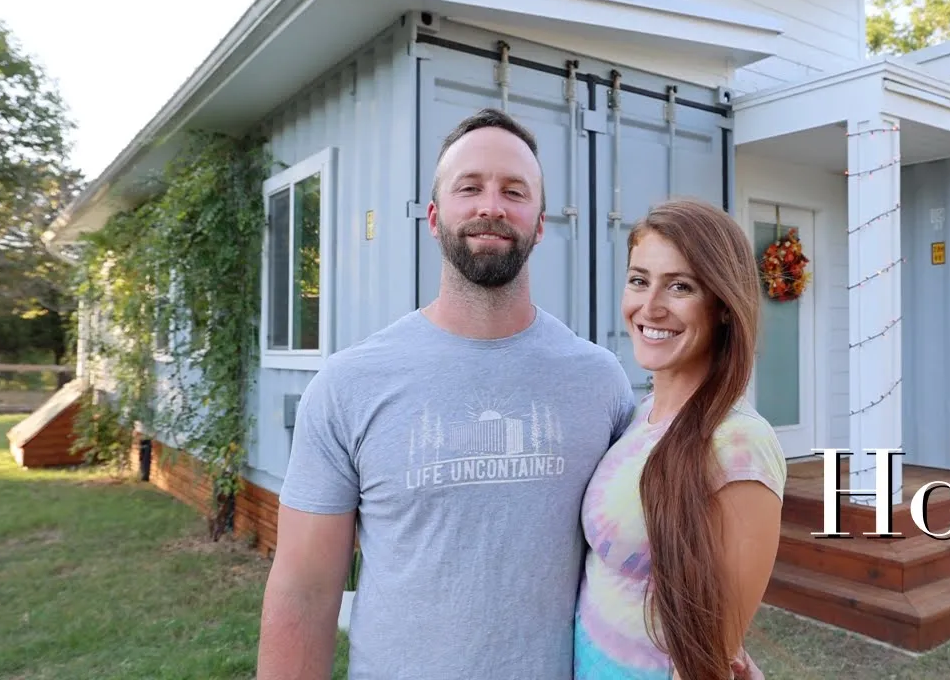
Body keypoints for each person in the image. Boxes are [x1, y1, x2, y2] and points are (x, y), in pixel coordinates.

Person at [256, 108, 761, 680]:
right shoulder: (349, 385)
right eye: (469, 187)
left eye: (514, 191)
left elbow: (641, 547)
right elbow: (303, 590)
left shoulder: (599, 380)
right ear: (433, 217)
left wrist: (716, 652)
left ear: (540, 224)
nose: (491, 206)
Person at [572, 199, 787, 680]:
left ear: (724, 307)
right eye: (639, 280)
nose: (650, 307)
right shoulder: (641, 414)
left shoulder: (740, 445)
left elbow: (711, 656)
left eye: (680, 286)